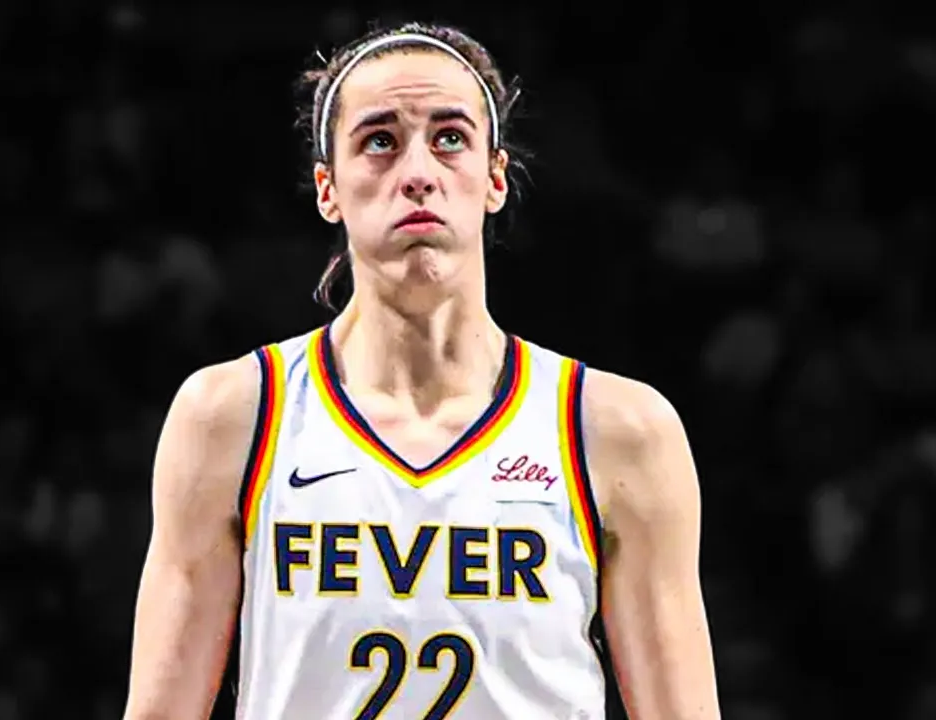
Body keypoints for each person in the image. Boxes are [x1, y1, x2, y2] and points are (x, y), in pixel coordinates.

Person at [123, 21, 721, 720]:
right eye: (380, 140)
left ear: (494, 178)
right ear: (327, 188)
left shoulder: (618, 430)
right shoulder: (232, 417)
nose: (417, 173)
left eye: (450, 138)